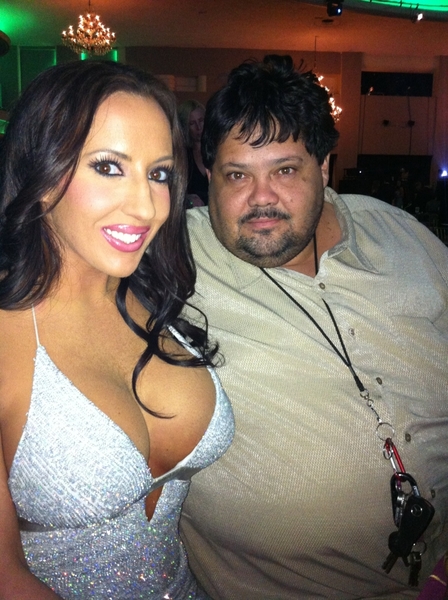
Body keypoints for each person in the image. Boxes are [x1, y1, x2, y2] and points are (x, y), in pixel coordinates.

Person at [180, 54, 448, 599]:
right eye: (237, 175)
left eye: (285, 170)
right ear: (208, 175)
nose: (261, 198)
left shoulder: (400, 236)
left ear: (324, 167)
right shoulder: (171, 258)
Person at [0, 60, 234, 599]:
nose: (146, 207)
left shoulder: (159, 294)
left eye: (159, 174)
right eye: (108, 167)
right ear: (42, 173)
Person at [178, 100, 209, 207]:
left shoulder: (216, 149)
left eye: (201, 121)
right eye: (192, 123)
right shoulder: (182, 155)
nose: (198, 127)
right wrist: (188, 200)